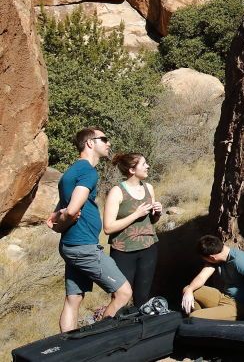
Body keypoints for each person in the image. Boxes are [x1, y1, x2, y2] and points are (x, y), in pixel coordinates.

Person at [47, 127, 133, 332]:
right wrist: (66, 216)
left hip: (71, 244)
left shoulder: (70, 172)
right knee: (124, 293)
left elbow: (57, 216)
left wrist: (59, 220)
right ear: (90, 143)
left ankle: (68, 348)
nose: (108, 143)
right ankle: (100, 340)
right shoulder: (87, 171)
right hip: (83, 246)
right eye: (104, 139)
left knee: (73, 298)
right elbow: (72, 209)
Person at [103, 153, 162, 307]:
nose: (148, 166)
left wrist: (157, 213)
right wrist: (136, 215)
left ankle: (141, 328)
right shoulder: (117, 191)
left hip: (148, 247)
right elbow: (108, 228)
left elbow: (152, 221)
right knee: (120, 297)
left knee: (143, 296)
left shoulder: (149, 188)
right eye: (143, 164)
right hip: (123, 251)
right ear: (131, 170)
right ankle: (115, 328)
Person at [181, 235, 244, 321]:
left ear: (212, 258)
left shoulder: (240, 261)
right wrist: (189, 290)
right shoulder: (217, 256)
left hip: (239, 306)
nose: (203, 261)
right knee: (188, 290)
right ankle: (203, 321)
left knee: (194, 318)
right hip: (224, 297)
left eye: (204, 259)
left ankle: (198, 322)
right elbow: (202, 277)